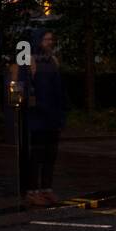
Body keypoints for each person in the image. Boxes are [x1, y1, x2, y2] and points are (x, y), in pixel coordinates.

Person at [19, 30, 67, 206]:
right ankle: (32, 191)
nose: (50, 42)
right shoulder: (29, 61)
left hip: (52, 116)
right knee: (36, 155)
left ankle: (46, 188)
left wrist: (61, 113)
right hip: (38, 116)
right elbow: (23, 87)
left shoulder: (52, 61)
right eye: (46, 39)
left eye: (51, 39)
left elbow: (59, 89)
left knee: (50, 154)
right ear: (38, 41)